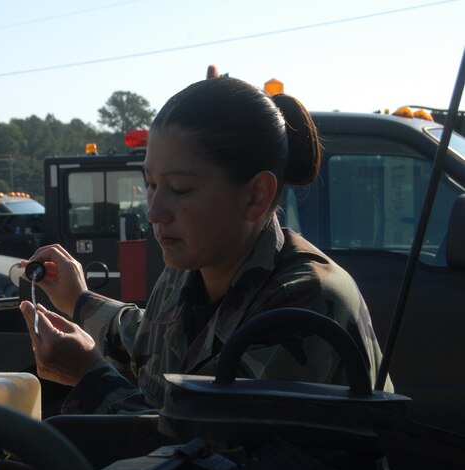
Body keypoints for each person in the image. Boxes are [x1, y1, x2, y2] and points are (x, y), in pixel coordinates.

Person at [20, 76, 391, 414]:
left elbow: (197, 457)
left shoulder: (305, 302)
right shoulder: (190, 270)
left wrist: (90, 377)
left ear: (255, 196)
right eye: (150, 184)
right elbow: (148, 341)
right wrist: (79, 300)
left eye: (180, 189)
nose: (154, 211)